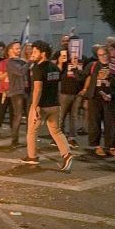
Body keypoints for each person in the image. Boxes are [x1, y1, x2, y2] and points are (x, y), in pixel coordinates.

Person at [21, 40, 74, 170]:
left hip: (42, 106)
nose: (32, 54)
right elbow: (57, 85)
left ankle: (32, 157)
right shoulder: (54, 67)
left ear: (43, 53)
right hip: (55, 105)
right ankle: (67, 154)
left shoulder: (38, 68)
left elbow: (38, 89)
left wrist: (34, 106)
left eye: (35, 51)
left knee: (32, 131)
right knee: (56, 131)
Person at [81, 46, 115, 157]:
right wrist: (74, 68)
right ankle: (96, 146)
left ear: (108, 54)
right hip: (95, 97)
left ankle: (110, 146)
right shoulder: (93, 65)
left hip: (109, 98)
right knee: (94, 122)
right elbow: (81, 76)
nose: (103, 57)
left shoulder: (114, 66)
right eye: (100, 55)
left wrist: (112, 94)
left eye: (104, 54)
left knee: (110, 123)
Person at [0, 41, 28, 147]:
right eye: (16, 48)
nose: (19, 50)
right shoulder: (8, 63)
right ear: (10, 50)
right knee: (4, 112)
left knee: (17, 115)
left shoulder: (20, 61)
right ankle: (9, 137)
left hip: (21, 90)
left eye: (19, 48)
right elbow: (0, 76)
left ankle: (18, 138)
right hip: (8, 91)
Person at [58, 46, 84, 147]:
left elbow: (82, 77)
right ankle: (59, 136)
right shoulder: (64, 58)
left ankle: (72, 138)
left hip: (77, 92)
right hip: (65, 91)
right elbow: (58, 72)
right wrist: (60, 62)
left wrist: (76, 66)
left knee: (74, 116)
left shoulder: (82, 60)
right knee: (61, 115)